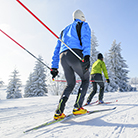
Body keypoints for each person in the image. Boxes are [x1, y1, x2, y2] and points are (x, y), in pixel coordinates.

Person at [50, 9, 91, 120]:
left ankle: (59, 112)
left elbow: (57, 48)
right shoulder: (83, 24)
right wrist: (87, 55)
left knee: (70, 84)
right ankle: (78, 108)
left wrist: (54, 66)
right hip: (75, 54)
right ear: (82, 17)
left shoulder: (63, 31)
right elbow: (85, 39)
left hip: (63, 56)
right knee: (86, 79)